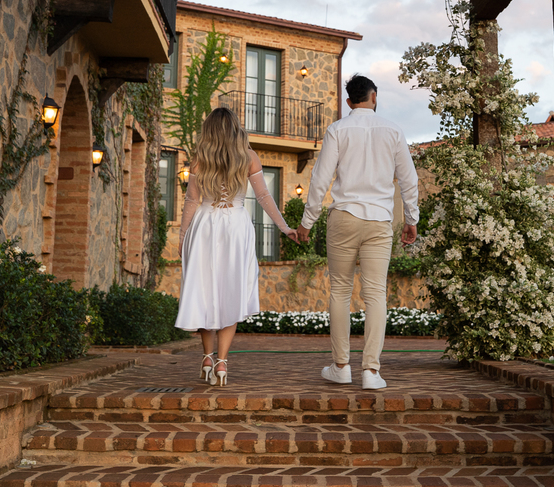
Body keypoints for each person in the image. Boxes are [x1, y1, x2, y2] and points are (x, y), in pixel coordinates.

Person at [297, 74, 419, 390]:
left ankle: (341, 367)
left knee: (340, 290)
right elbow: (409, 180)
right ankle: (371, 372)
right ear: (374, 97)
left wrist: (307, 222)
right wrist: (411, 218)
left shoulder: (337, 130)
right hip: (379, 221)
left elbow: (320, 179)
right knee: (375, 293)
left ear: (349, 101)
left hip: (344, 218)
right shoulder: (393, 130)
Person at [174, 107, 299, 387]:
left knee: (204, 291)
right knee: (232, 290)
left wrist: (183, 237)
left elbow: (192, 201)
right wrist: (284, 227)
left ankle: (207, 357)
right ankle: (222, 362)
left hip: (204, 225)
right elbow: (264, 196)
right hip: (236, 225)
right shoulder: (249, 157)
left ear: (209, 130)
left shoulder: (200, 159)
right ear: (235, 127)